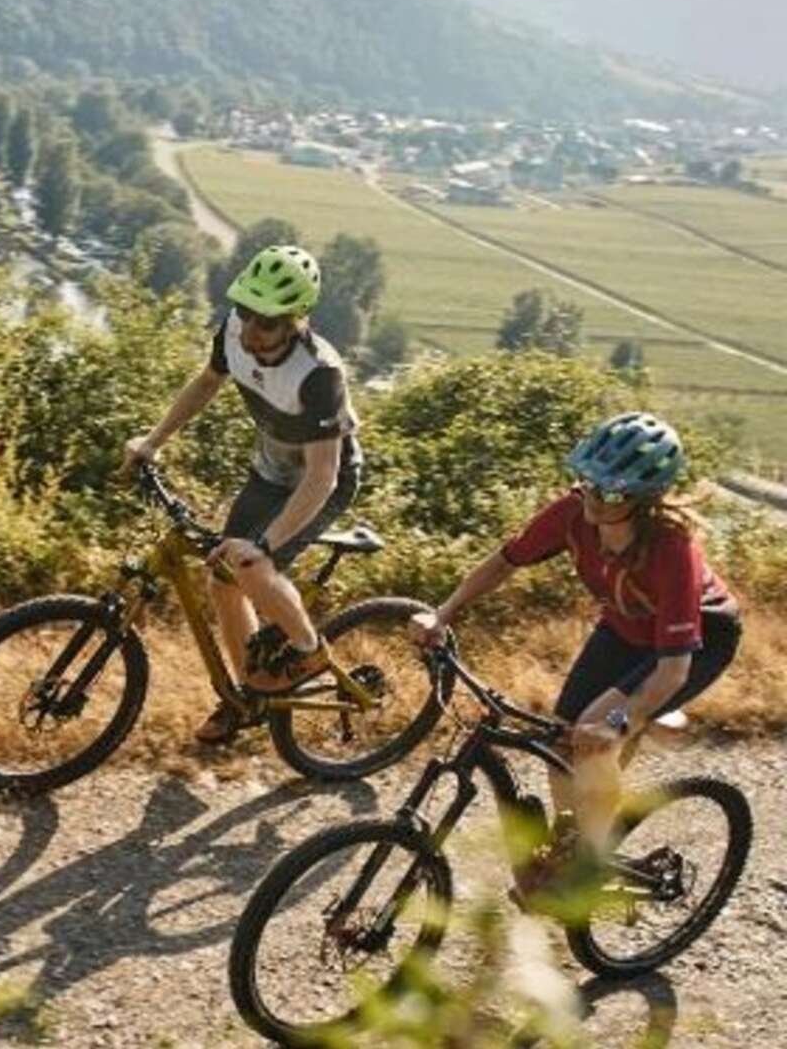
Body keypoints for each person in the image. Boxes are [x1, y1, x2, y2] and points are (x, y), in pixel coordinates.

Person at [410, 412, 742, 904]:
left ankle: (588, 863)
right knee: (561, 736)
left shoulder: (673, 549)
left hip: (695, 643)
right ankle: (574, 838)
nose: (591, 497)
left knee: (595, 730)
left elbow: (674, 668)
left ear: (643, 501)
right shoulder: (572, 514)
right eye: (587, 482)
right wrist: (444, 613)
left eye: (608, 493)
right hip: (625, 628)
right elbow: (506, 561)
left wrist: (618, 719)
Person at [123, 245, 364, 743]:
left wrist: (266, 544)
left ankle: (308, 648)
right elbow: (206, 383)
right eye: (248, 312)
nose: (252, 328)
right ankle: (246, 696)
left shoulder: (320, 375)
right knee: (220, 577)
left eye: (268, 321)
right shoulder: (234, 330)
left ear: (297, 320)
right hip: (271, 470)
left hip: (323, 481)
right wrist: (152, 441)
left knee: (251, 566)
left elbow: (322, 474)